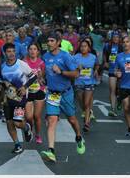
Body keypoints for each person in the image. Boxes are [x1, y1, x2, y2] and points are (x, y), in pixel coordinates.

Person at [40, 33, 85, 163]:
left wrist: (61, 72)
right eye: (48, 40)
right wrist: (41, 78)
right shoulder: (46, 56)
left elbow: (76, 74)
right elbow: (45, 72)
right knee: (52, 120)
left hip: (66, 93)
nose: (49, 43)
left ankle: (78, 137)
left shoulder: (65, 56)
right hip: (52, 94)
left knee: (72, 119)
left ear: (58, 42)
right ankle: (51, 151)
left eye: (52, 41)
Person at [0, 43, 37, 153]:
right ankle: (17, 144)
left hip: (20, 98)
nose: (11, 53)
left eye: (13, 51)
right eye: (9, 51)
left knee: (18, 123)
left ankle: (26, 128)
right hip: (7, 100)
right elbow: (0, 82)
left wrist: (24, 87)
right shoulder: (2, 67)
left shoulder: (21, 64)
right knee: (9, 123)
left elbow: (34, 77)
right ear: (5, 53)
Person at [74, 40, 99, 132]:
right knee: (82, 103)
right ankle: (86, 113)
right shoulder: (76, 57)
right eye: (81, 46)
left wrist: (96, 70)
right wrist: (77, 68)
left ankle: (86, 123)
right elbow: (71, 67)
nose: (83, 48)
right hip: (79, 83)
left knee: (86, 103)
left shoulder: (93, 57)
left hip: (90, 82)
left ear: (88, 48)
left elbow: (97, 65)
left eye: (85, 46)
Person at [24, 43, 46, 144]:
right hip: (28, 92)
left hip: (39, 91)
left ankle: (38, 135)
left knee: (37, 116)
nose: (32, 51)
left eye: (35, 49)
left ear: (38, 51)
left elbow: (43, 79)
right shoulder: (24, 62)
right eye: (31, 49)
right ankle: (30, 130)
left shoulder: (41, 63)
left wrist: (41, 77)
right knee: (28, 117)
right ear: (28, 51)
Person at [103, 31, 123, 116]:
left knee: (120, 90)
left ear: (119, 38)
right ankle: (113, 109)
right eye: (114, 37)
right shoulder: (108, 46)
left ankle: (119, 100)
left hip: (121, 71)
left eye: (117, 37)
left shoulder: (122, 47)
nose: (115, 38)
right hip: (111, 70)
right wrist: (106, 62)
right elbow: (104, 54)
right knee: (112, 90)